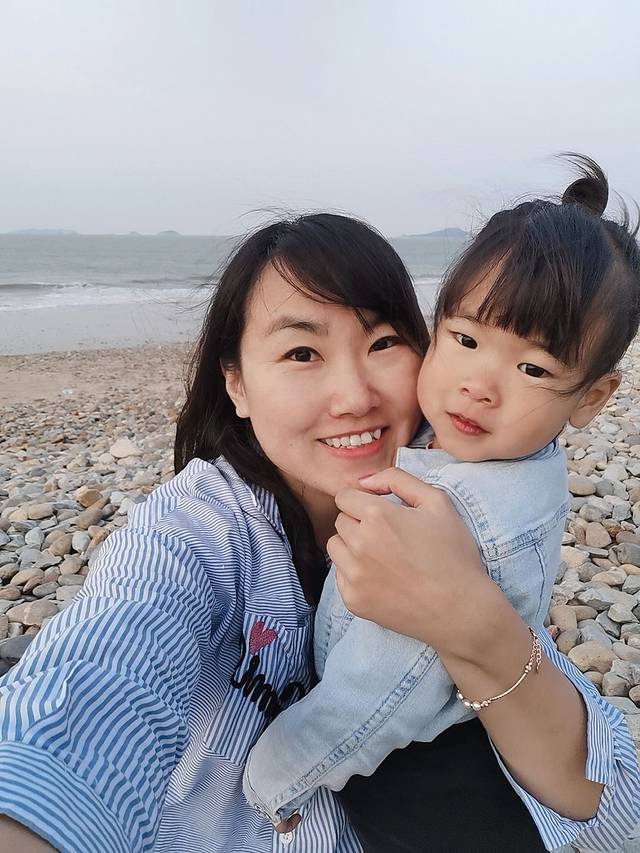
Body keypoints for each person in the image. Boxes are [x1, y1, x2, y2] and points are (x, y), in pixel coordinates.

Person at [0, 211, 637, 853]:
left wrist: (472, 621)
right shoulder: (195, 531)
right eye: (301, 353)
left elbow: (612, 811)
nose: (354, 397)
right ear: (236, 385)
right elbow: (101, 680)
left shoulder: (464, 498)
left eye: (383, 343)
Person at [242, 157, 640, 852]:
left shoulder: (457, 515)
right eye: (464, 339)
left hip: (420, 788)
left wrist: (274, 777)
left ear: (592, 398)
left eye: (533, 368)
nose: (479, 385)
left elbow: (378, 690)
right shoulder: (506, 457)